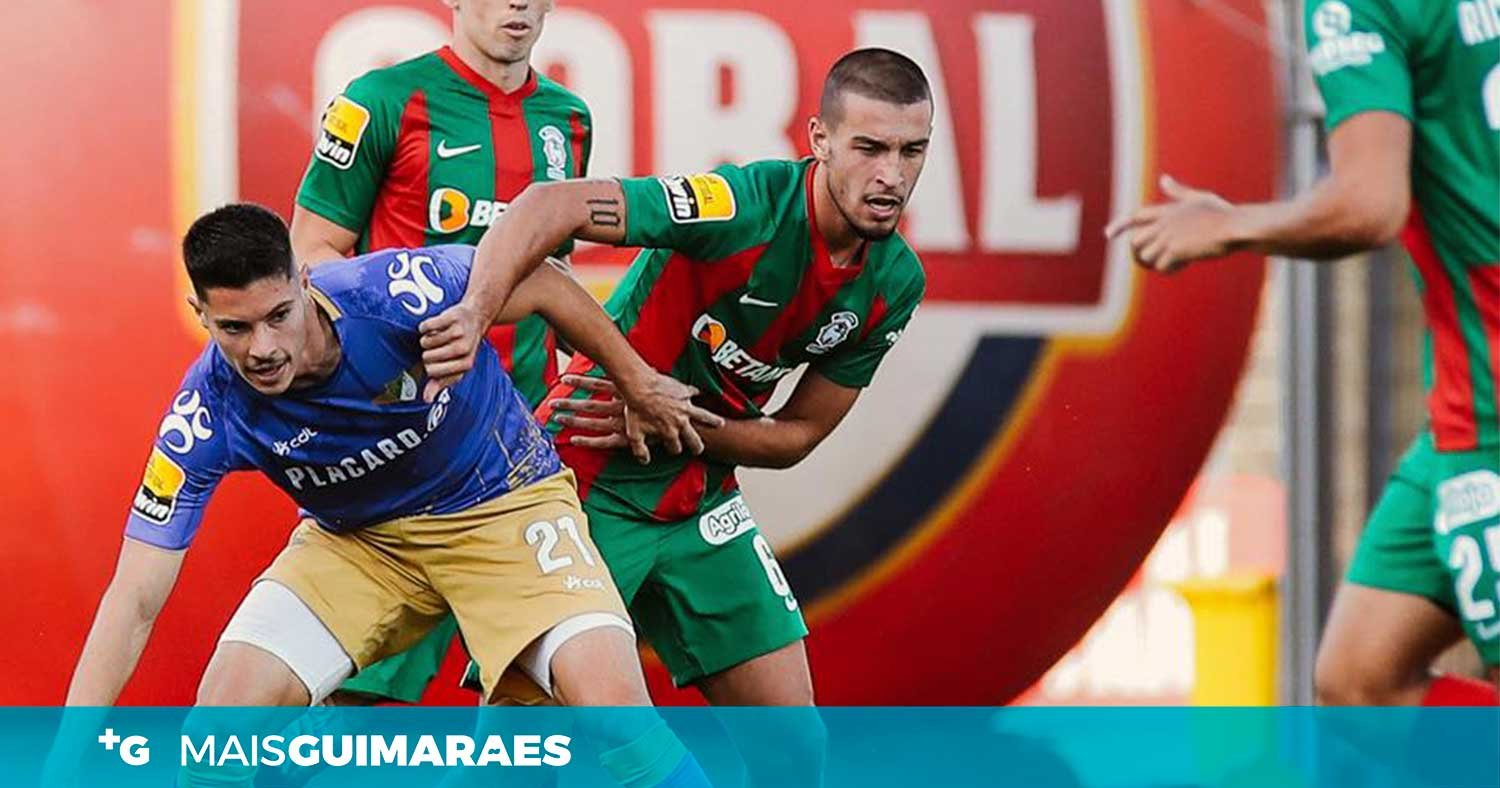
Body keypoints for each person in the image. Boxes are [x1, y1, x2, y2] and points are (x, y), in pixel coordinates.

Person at [57, 204, 721, 787]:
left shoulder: (396, 293)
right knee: (214, 745)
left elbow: (545, 281)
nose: (263, 348)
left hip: (503, 504)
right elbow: (134, 598)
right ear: (200, 313)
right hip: (358, 543)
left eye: (279, 316)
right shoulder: (205, 413)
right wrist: (64, 760)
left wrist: (636, 381)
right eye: (234, 328)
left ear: (304, 280)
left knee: (616, 717)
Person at [418, 47, 933, 784]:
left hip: (701, 497)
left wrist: (674, 417)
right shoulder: (743, 207)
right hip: (583, 481)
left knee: (796, 748)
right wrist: (473, 313)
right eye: (870, 148)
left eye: (912, 151)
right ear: (819, 140)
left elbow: (798, 435)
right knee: (519, 758)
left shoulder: (895, 282)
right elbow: (546, 206)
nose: (892, 175)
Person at [1105, 0, 1499, 703]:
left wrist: (1230, 224)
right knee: (1358, 678)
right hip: (1459, 413)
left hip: (1490, 410)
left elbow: (1368, 204)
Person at [291, 0, 590, 707]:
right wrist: (386, 352)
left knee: (537, 694)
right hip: (407, 442)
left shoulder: (568, 119)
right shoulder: (380, 102)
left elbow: (554, 277)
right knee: (365, 701)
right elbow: (312, 251)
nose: (517, 4)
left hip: (520, 453)